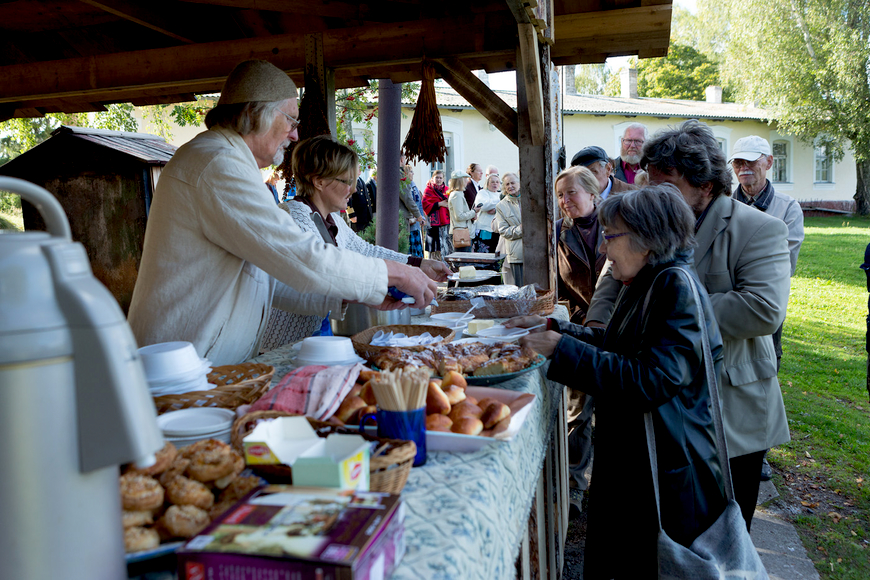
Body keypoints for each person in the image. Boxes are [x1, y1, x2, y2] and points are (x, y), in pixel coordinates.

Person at [127, 59, 437, 366]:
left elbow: (266, 282)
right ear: (255, 114)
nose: (294, 136)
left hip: (195, 365)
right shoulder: (217, 164)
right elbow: (299, 256)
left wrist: (352, 295)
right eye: (290, 121)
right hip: (179, 370)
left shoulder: (225, 161)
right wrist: (393, 273)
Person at [506, 185, 728, 579]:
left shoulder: (674, 287)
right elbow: (616, 345)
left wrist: (563, 349)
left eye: (611, 237)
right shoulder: (647, 279)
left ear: (647, 240)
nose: (605, 249)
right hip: (640, 463)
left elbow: (652, 379)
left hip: (665, 476)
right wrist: (554, 329)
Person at [586, 119, 791, 532]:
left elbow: (764, 309)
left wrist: (666, 307)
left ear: (706, 186)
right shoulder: (648, 220)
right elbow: (612, 274)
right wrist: (596, 324)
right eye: (651, 183)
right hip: (662, 403)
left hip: (730, 412)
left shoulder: (759, 230)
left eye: (669, 186)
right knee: (668, 533)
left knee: (721, 538)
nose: (656, 195)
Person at [261, 137, 448, 350]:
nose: (354, 189)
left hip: (311, 344)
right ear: (319, 181)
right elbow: (320, 273)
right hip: (283, 348)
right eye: (346, 181)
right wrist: (392, 277)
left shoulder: (333, 219)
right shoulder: (294, 218)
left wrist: (417, 264)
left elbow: (365, 250)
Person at [730, 134, 804, 481]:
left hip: (763, 310)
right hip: (733, 309)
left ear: (768, 162)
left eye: (750, 162)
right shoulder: (724, 205)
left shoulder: (787, 208)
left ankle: (756, 453)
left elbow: (780, 266)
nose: (744, 169)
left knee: (762, 374)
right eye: (738, 163)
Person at [554, 165, 608, 511]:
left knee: (617, 411)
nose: (565, 201)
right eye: (560, 195)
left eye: (571, 192)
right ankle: (575, 485)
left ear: (592, 192)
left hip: (618, 328)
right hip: (580, 328)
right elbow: (557, 285)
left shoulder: (620, 224)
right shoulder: (558, 232)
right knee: (577, 412)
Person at [495, 172, 523, 285]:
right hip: (516, 254)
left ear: (519, 183)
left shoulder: (531, 200)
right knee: (520, 288)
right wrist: (521, 229)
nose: (510, 186)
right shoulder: (501, 206)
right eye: (507, 184)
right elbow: (503, 230)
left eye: (512, 183)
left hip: (535, 252)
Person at [422, 169, 451, 261]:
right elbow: (425, 205)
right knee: (435, 246)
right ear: (432, 178)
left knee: (446, 245)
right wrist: (439, 204)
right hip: (433, 224)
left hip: (446, 222)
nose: (438, 180)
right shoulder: (428, 190)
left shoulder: (447, 190)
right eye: (436, 178)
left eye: (440, 178)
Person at [400, 165, 427, 258]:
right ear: (406, 174)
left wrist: (421, 216)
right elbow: (409, 201)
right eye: (411, 172)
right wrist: (417, 216)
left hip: (416, 224)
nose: (413, 174)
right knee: (410, 254)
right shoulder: (405, 184)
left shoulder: (414, 186)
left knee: (418, 254)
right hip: (409, 223)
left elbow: (418, 203)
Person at [447, 170, 475, 254]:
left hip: (461, 231)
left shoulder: (458, 193)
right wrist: (473, 212)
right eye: (465, 179)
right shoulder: (457, 195)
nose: (467, 181)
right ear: (461, 180)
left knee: (462, 260)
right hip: (461, 232)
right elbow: (459, 216)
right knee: (463, 261)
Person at [472, 173, 501, 253]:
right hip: (485, 229)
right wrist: (500, 203)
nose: (495, 184)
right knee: (483, 253)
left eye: (497, 182)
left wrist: (496, 209)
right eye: (492, 182)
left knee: (495, 253)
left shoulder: (500, 194)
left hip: (497, 229)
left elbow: (506, 207)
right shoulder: (482, 193)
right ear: (487, 183)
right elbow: (483, 206)